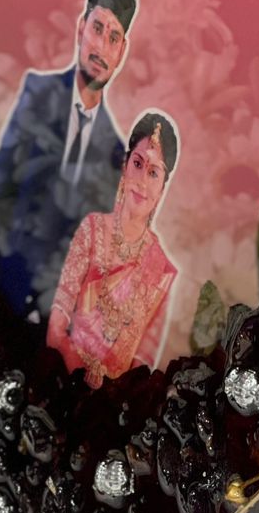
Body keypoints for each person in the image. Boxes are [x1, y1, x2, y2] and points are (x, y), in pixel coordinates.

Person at [0, 0, 136, 320]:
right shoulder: (39, 93)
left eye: (114, 38)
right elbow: (1, 188)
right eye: (97, 28)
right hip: (0, 288)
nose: (101, 48)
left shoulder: (115, 151)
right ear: (81, 28)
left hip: (55, 320)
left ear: (121, 52)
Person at [47, 112, 180, 387]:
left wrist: (108, 397)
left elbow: (140, 369)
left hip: (112, 402)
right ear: (125, 166)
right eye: (138, 164)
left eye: (153, 172)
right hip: (62, 377)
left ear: (162, 188)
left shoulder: (163, 271)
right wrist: (78, 376)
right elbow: (56, 328)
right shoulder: (92, 230)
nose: (142, 181)